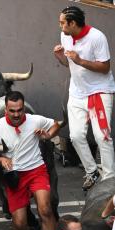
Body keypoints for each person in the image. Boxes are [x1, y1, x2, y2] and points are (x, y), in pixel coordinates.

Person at [0, 91, 61, 230]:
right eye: (12, 110)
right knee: (20, 222)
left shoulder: (35, 120)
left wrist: (48, 135)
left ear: (23, 108)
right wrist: (1, 160)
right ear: (6, 109)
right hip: (14, 176)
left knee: (46, 210)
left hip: (37, 170)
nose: (16, 114)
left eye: (19, 110)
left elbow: (56, 124)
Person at [53, 6, 115, 191]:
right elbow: (68, 63)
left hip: (99, 92)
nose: (60, 26)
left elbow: (105, 68)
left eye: (63, 22)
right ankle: (92, 171)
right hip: (77, 92)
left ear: (73, 23)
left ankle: (110, 179)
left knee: (101, 137)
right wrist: (60, 58)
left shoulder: (97, 37)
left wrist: (80, 61)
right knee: (76, 136)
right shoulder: (65, 36)